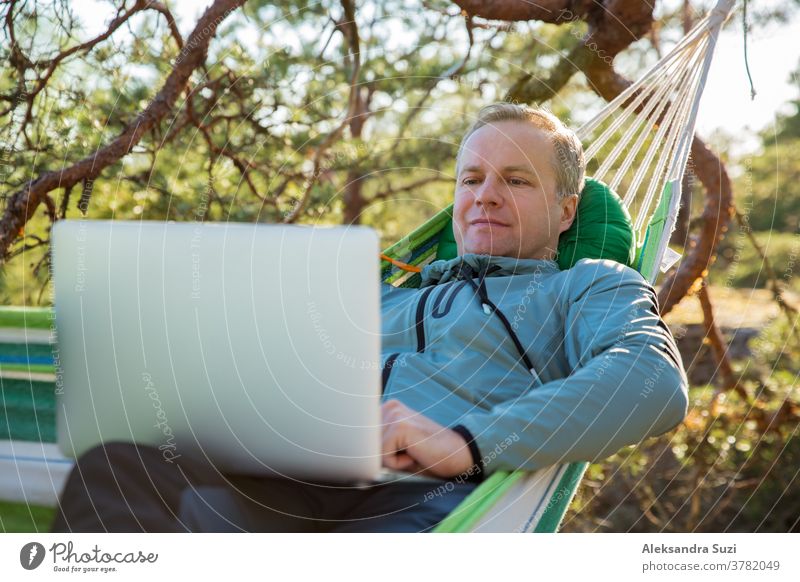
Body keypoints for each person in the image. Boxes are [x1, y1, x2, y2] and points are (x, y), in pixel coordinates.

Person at [51, 103, 688, 533]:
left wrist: (465, 443)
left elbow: (651, 383)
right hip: (283, 479)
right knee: (115, 470)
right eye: (471, 179)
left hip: (420, 502)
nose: (485, 195)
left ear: (568, 211)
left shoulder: (588, 286)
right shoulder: (378, 291)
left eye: (516, 181)